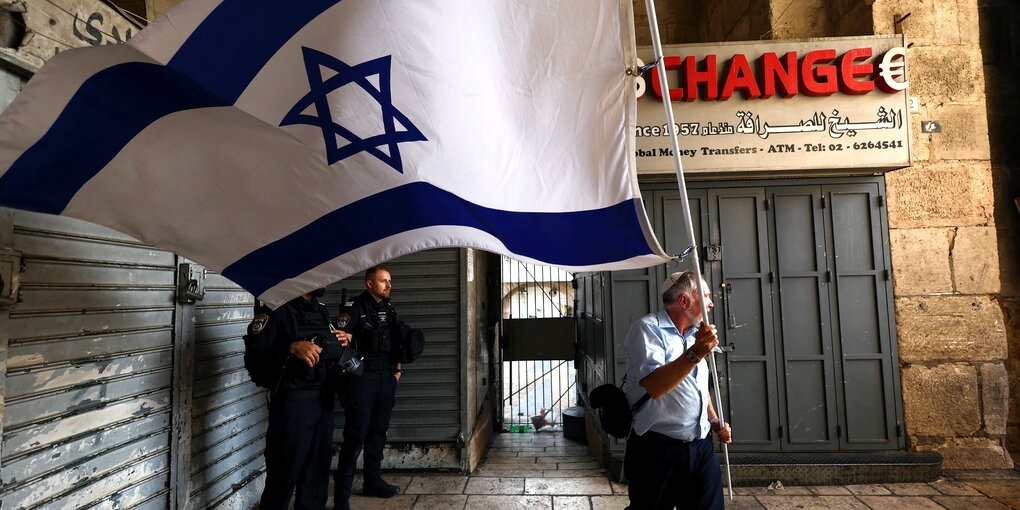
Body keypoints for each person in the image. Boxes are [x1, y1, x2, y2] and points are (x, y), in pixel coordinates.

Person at [623, 271, 733, 510]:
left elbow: (699, 387)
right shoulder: (647, 330)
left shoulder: (696, 334)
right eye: (705, 296)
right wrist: (696, 353)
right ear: (684, 301)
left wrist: (714, 420)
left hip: (700, 446)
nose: (711, 303)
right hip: (657, 449)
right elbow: (655, 386)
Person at [242, 287, 351, 510]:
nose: (325, 281)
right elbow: (254, 361)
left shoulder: (320, 311)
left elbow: (326, 349)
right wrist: (289, 348)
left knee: (317, 473)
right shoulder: (274, 311)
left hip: (323, 399)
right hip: (293, 403)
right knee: (283, 472)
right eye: (319, 275)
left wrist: (342, 340)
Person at [333, 266, 405, 509]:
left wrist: (397, 371)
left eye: (390, 281)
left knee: (378, 433)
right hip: (362, 380)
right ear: (369, 284)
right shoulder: (353, 309)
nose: (388, 285)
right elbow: (339, 342)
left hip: (386, 378)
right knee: (355, 437)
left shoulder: (389, 309)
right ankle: (341, 497)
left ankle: (372, 482)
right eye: (383, 281)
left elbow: (396, 342)